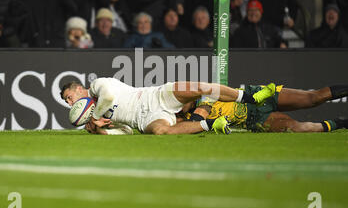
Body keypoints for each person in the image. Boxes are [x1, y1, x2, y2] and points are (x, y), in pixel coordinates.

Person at [60, 77, 276, 135]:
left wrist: (96, 116)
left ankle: (249, 97)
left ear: (79, 88)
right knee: (163, 131)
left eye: (69, 97)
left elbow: (107, 97)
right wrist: (102, 132)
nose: (70, 104)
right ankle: (212, 125)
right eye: (67, 102)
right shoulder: (94, 118)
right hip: (144, 120)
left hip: (154, 96)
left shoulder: (97, 85)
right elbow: (126, 131)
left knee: (201, 87)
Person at [182, 83, 348, 133]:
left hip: (257, 96)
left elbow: (201, 113)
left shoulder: (202, 92)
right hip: (254, 120)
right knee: (297, 127)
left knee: (314, 97)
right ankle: (341, 123)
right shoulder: (184, 117)